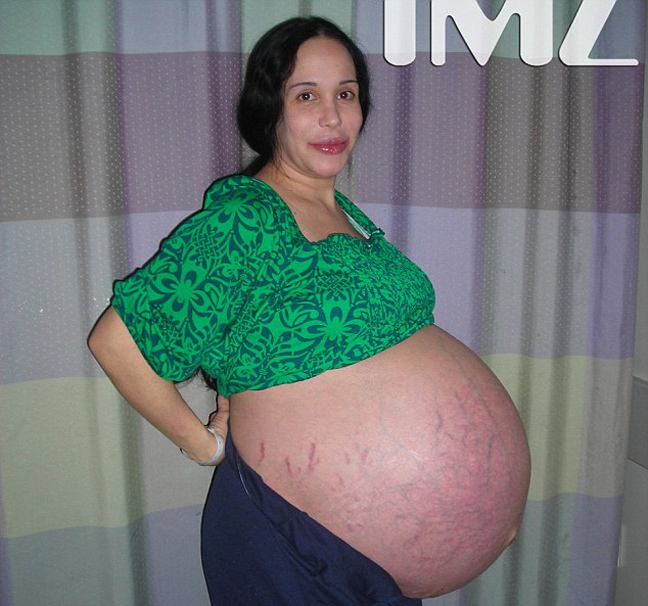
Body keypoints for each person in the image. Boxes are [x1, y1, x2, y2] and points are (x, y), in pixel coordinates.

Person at [88, 16, 531, 606]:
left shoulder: (350, 217)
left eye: (346, 94)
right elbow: (117, 342)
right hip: (297, 549)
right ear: (270, 110)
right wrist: (203, 444)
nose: (332, 117)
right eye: (306, 96)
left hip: (364, 569)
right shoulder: (245, 218)